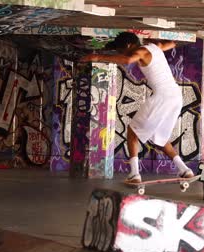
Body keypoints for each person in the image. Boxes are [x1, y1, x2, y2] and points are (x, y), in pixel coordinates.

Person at [81, 32, 194, 183]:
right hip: (175, 96)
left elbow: (128, 60)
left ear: (128, 45)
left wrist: (96, 58)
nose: (121, 53)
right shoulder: (155, 47)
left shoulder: (141, 51)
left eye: (121, 50)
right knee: (159, 138)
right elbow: (171, 44)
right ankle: (185, 170)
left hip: (162, 96)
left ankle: (134, 174)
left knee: (132, 132)